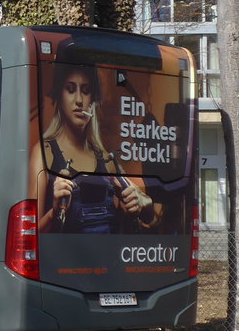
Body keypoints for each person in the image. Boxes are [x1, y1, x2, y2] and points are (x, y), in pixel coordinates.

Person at [35, 57, 160, 234]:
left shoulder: (105, 158)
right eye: (70, 90)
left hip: (107, 256)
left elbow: (149, 215)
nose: (79, 100)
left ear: (93, 100)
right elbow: (31, 235)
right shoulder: (44, 153)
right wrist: (55, 212)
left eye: (86, 91)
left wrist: (142, 203)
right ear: (59, 97)